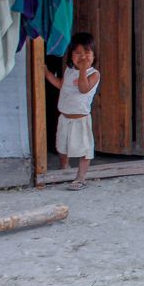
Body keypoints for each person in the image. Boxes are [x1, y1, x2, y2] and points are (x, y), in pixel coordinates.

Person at [45, 32, 101, 190]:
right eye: (77, 53)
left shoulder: (94, 74)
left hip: (80, 119)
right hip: (64, 117)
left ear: (94, 55)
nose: (82, 57)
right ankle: (65, 168)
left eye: (87, 53)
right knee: (62, 147)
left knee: (84, 150)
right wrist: (47, 74)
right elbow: (62, 84)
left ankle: (80, 178)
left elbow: (84, 89)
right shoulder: (69, 71)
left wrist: (83, 70)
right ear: (70, 56)